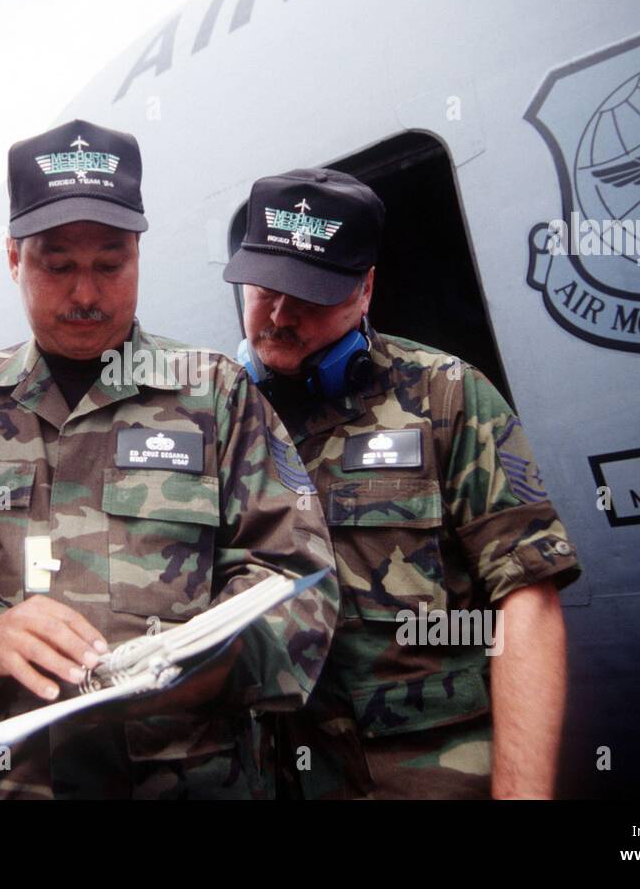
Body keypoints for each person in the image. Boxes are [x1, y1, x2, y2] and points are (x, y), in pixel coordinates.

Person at [0, 119, 338, 799]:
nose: (86, 294)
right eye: (58, 264)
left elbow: (298, 574)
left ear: (139, 252)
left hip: (183, 777)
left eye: (110, 264)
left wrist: (208, 666)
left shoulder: (217, 397)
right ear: (14, 258)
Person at [223, 168, 581, 799]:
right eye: (266, 288)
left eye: (309, 295)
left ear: (365, 291)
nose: (279, 315)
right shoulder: (212, 413)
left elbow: (526, 597)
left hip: (428, 777)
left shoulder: (447, 396)